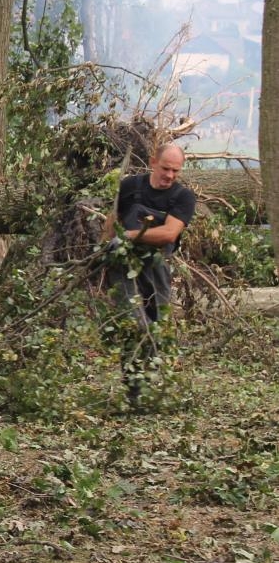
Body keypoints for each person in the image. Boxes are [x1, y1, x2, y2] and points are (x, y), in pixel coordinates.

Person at [101, 143, 196, 404]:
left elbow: (169, 233)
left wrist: (129, 236)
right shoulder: (131, 186)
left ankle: (153, 385)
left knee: (157, 324)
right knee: (133, 324)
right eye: (166, 168)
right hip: (123, 265)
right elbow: (113, 221)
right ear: (153, 162)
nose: (170, 176)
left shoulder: (183, 197)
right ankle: (133, 388)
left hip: (156, 266)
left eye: (176, 171)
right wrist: (106, 247)